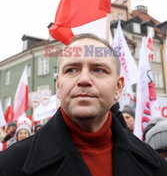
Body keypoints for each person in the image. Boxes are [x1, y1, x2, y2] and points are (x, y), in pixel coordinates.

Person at [0, 33, 167, 175]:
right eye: (72, 69)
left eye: (98, 69)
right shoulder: (9, 166)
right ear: (58, 86)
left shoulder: (156, 166)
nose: (84, 79)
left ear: (118, 87)